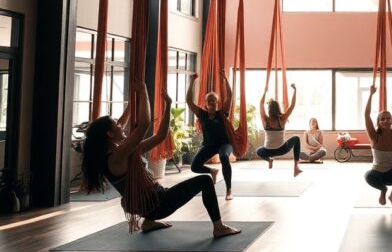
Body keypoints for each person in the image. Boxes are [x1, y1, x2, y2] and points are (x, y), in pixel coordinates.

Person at [81, 82, 240, 237]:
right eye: (116, 124)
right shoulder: (118, 156)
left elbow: (160, 136)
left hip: (147, 203)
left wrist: (168, 105)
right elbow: (144, 124)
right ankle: (219, 227)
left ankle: (148, 222)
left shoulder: (114, 154)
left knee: (157, 186)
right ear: (109, 134)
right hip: (158, 204)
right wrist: (143, 90)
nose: (121, 126)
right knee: (205, 181)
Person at [187, 70, 235, 200]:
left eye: (213, 100)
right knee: (194, 166)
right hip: (209, 145)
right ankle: (212, 171)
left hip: (225, 144)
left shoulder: (222, 113)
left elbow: (229, 96)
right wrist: (192, 82)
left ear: (217, 103)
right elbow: (189, 101)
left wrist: (225, 78)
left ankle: (229, 190)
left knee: (224, 157)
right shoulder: (201, 114)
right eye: (209, 101)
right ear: (206, 103)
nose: (211, 103)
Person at [364, 85, 392, 209]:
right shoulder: (374, 137)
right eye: (382, 119)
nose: (385, 120)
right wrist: (370, 94)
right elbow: (367, 115)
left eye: (388, 118)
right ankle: (383, 190)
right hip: (378, 175)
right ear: (378, 122)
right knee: (368, 175)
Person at [257, 84, 302, 177]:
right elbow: (292, 105)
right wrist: (295, 90)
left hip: (267, 151)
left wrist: (264, 92)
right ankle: (296, 167)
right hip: (282, 149)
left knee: (258, 151)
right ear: (278, 109)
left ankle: (269, 160)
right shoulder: (282, 119)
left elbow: (260, 104)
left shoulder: (265, 120)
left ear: (269, 110)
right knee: (296, 138)